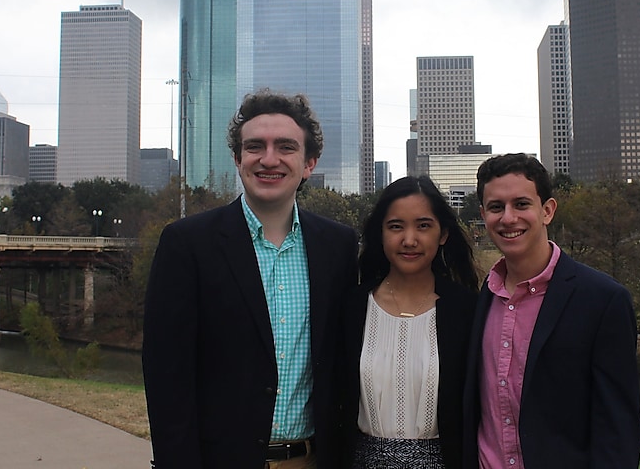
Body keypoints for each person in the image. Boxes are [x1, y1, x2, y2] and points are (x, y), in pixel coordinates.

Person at [142, 90, 359, 469]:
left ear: (309, 163)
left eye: (286, 147)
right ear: (238, 158)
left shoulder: (338, 246)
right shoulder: (187, 244)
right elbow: (166, 377)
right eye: (255, 146)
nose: (269, 159)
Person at [462, 153, 640, 469]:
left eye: (521, 204)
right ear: (483, 214)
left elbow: (618, 431)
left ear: (547, 210)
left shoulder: (602, 301)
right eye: (496, 207)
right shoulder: (483, 299)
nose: (508, 218)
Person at [336, 175, 479, 469]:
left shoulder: (468, 310)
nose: (409, 240)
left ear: (443, 234)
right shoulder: (351, 307)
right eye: (396, 226)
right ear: (380, 233)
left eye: (423, 226)